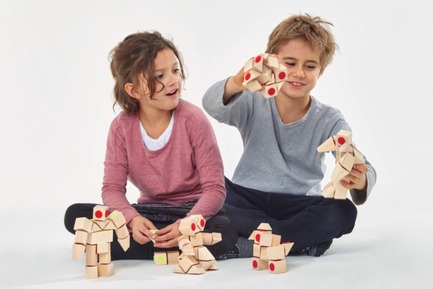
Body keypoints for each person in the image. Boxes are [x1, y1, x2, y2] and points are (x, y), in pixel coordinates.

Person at [202, 14, 377, 257]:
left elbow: (363, 165)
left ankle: (252, 243)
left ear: (321, 71)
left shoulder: (329, 119)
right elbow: (211, 105)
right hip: (246, 198)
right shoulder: (253, 101)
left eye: (310, 66)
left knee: (343, 211)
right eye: (290, 63)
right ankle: (297, 242)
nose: (299, 73)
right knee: (208, 185)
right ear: (272, 62)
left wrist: (360, 179)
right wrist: (237, 81)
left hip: (299, 205)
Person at [64, 31, 238, 260]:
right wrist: (132, 219)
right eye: (159, 76)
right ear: (133, 90)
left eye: (175, 70)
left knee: (224, 232)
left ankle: (133, 248)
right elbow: (112, 189)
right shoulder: (121, 128)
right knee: (74, 215)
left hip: (192, 211)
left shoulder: (193, 120)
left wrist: (186, 225)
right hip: (149, 212)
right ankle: (177, 248)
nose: (174, 80)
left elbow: (215, 189)